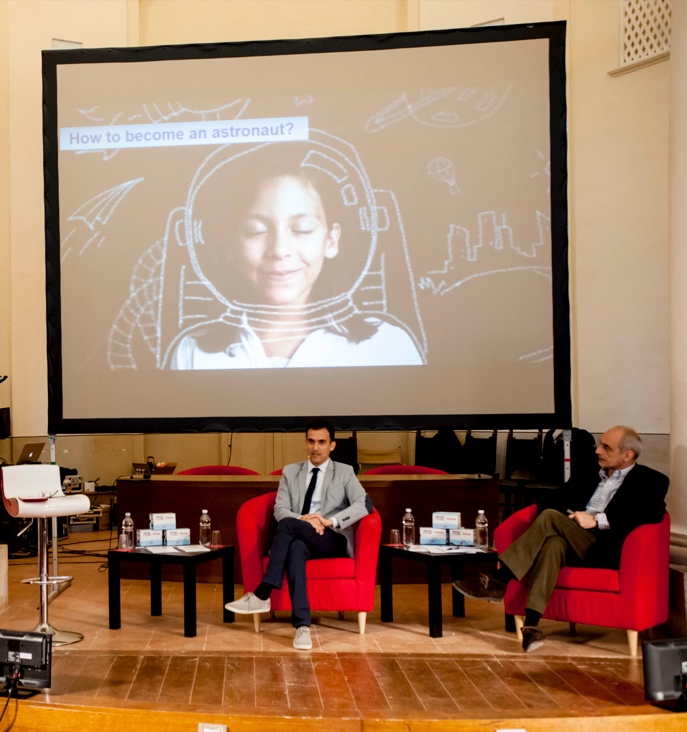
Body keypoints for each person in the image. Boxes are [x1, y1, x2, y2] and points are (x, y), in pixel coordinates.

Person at [170, 143, 422, 369]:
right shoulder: (192, 353)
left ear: (331, 240)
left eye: (302, 229)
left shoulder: (388, 347)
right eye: (256, 230)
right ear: (229, 245)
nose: (279, 250)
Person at [454, 425, 668, 653]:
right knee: (553, 542)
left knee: (549, 518)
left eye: (606, 447)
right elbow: (552, 500)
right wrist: (570, 517)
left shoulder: (652, 481)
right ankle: (532, 626)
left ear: (627, 455)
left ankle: (501, 577)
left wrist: (598, 521)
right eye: (599, 444)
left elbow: (650, 514)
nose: (597, 451)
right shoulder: (588, 472)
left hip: (606, 547)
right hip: (572, 537)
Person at [225, 419, 370, 650]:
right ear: (305, 443)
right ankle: (302, 627)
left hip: (331, 538)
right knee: (293, 544)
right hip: (300, 536)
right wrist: (305, 519)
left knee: (289, 526)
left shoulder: (344, 472)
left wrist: (327, 520)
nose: (315, 447)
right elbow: (279, 509)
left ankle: (263, 593)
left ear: (332, 445)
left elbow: (364, 504)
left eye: (322, 442)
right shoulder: (291, 472)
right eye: (311, 441)